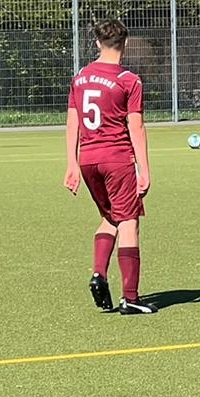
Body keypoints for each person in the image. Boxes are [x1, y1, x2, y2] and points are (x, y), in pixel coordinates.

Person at [65, 19, 154, 315]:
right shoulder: (129, 80)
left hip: (88, 159)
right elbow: (136, 127)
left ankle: (99, 273)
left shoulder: (80, 77)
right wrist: (144, 169)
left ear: (97, 43)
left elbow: (73, 123)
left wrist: (71, 164)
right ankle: (131, 298)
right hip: (116, 158)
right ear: (125, 44)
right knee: (129, 221)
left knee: (110, 217)